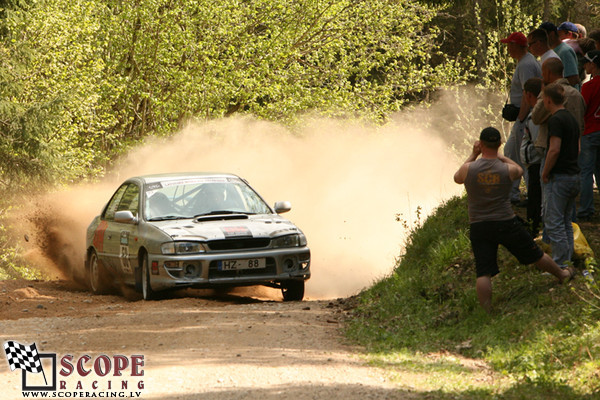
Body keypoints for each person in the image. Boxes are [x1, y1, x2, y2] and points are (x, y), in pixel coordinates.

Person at [454, 127, 575, 312]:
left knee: (483, 271)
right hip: (505, 222)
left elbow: (457, 178)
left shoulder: (468, 169)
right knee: (534, 253)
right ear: (499, 143)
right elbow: (519, 169)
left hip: (479, 224)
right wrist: (501, 156)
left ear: (481, 143)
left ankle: (486, 310)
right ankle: (562, 274)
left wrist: (474, 153)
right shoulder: (506, 169)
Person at [541, 83, 581, 268]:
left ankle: (559, 266)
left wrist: (546, 171)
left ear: (548, 100)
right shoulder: (572, 119)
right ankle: (567, 261)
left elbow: (554, 149)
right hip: (574, 176)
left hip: (560, 177)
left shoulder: (555, 120)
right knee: (566, 221)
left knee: (554, 223)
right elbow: (578, 148)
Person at [501, 32, 542, 204]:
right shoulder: (526, 61)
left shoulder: (526, 64)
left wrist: (520, 118)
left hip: (525, 117)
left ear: (518, 46)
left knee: (518, 154)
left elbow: (529, 93)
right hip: (525, 115)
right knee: (513, 152)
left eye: (510, 45)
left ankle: (523, 195)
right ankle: (516, 194)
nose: (508, 49)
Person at [520, 78, 544, 237]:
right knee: (535, 195)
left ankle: (534, 228)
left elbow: (538, 142)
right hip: (536, 162)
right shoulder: (539, 113)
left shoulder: (535, 116)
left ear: (529, 95)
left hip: (536, 163)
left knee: (535, 197)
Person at [578, 50, 600, 220]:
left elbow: (581, 109)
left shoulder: (588, 86)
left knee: (585, 172)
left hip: (590, 131)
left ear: (593, 65)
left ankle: (586, 209)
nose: (584, 65)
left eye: (586, 62)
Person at [541, 22, 581, 88]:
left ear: (551, 34)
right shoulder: (552, 51)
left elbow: (574, 79)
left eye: (543, 37)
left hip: (566, 96)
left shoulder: (565, 51)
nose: (541, 41)